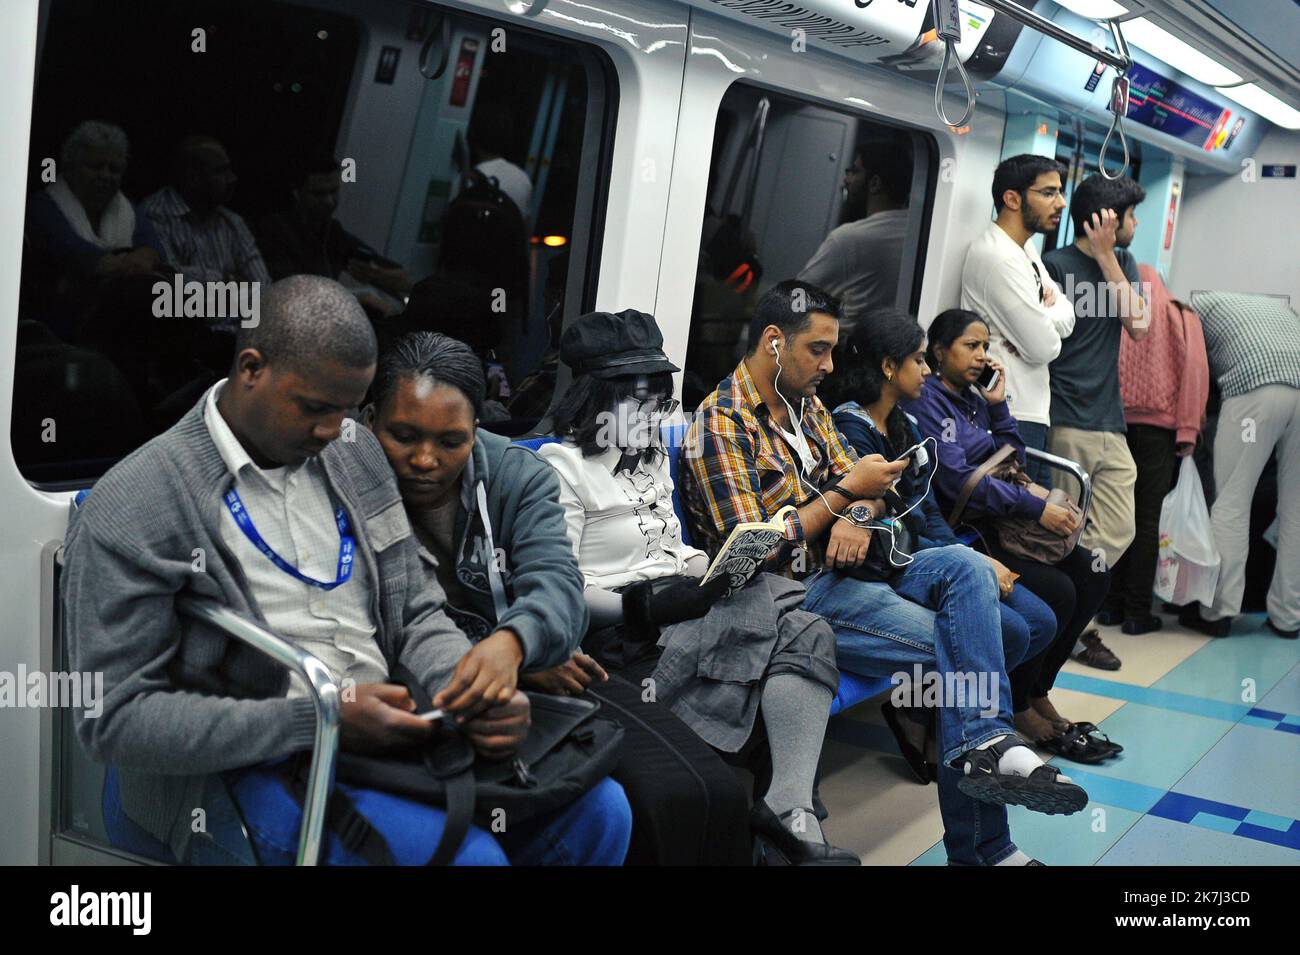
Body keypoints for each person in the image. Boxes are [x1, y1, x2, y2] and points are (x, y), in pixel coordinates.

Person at [62, 275, 631, 866]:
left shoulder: (353, 453)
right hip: (245, 766)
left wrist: (461, 690)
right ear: (251, 369)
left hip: (387, 731)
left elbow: (413, 611)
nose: (334, 431)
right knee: (472, 860)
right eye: (315, 408)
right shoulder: (139, 502)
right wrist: (320, 718)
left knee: (602, 816)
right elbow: (114, 719)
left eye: (345, 409)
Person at [682, 280, 1088, 867]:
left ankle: (985, 745)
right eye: (817, 350)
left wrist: (853, 508)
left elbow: (879, 491)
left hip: (865, 568)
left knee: (965, 565)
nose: (829, 365)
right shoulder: (721, 424)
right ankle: (986, 846)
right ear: (773, 342)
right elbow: (749, 553)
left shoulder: (809, 409)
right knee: (972, 648)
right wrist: (842, 499)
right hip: (795, 595)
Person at [364, 330, 751, 865]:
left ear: (476, 430)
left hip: (529, 663)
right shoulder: (348, 481)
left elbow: (557, 584)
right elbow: (393, 616)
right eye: (403, 436)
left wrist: (518, 644)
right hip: (430, 685)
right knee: (630, 799)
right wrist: (516, 655)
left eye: (450, 441)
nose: (424, 460)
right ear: (367, 422)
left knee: (695, 790)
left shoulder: (514, 474)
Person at [538, 308, 855, 865]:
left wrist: (708, 568)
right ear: (597, 397)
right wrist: (642, 605)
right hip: (628, 628)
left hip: (685, 608)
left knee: (803, 624)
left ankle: (789, 806)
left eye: (660, 398)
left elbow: (671, 546)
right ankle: (791, 823)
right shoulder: (559, 469)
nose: (655, 413)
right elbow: (561, 587)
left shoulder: (651, 455)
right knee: (792, 624)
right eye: (640, 399)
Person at [823, 311, 1087, 755]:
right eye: (919, 360)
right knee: (1014, 631)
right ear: (890, 367)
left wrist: (972, 557)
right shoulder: (853, 429)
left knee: (1039, 621)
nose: (925, 370)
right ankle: (966, 734)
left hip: (927, 547)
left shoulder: (905, 424)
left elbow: (926, 511)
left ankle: (953, 721)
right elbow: (894, 527)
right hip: (893, 562)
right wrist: (975, 561)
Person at [908, 310, 1119, 748]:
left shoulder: (971, 398)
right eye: (971, 345)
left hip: (1003, 521)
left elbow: (1012, 458)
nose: (981, 356)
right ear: (940, 350)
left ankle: (1038, 688)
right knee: (1058, 591)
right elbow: (956, 480)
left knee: (1094, 574)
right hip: (969, 528)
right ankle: (1019, 702)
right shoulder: (928, 400)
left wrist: (999, 405)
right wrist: (1035, 509)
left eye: (985, 347)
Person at [1042, 174, 1148, 581]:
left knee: (1120, 528)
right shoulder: (1054, 265)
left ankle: (1073, 606)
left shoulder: (1123, 264)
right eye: (1130, 216)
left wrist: (1106, 258)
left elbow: (1139, 326)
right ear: (1107, 219)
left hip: (1110, 419)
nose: (1135, 224)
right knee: (1064, 526)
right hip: (1065, 414)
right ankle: (1073, 630)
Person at [1179, 291, 1300, 639]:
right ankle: (1288, 617)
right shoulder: (1280, 309)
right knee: (1294, 510)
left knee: (1231, 502)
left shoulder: (1193, 310)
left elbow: (1192, 367)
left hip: (1256, 390)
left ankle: (1219, 612)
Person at [1101, 264, 1210, 632]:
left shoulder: (1116, 310)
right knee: (1148, 521)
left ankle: (1108, 606)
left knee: (1114, 518)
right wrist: (1188, 431)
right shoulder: (1180, 313)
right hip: (1159, 432)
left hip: (1114, 425)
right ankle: (1136, 613)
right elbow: (1195, 371)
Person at [960, 154, 1076, 486]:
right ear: (1012, 198)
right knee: (1015, 528)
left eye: (1060, 192)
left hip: (1030, 409)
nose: (1061, 203)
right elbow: (1045, 347)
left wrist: (1046, 313)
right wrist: (1046, 313)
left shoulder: (1024, 250)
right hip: (1010, 412)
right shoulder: (998, 257)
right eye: (1049, 193)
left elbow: (1068, 316)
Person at [24, 120, 164, 329]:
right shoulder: (43, 206)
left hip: (123, 322)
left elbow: (153, 248)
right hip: (60, 325)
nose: (106, 175)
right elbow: (75, 253)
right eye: (95, 166)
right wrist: (134, 266)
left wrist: (140, 258)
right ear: (70, 168)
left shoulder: (129, 209)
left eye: (114, 169)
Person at [142, 135, 272, 324]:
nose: (232, 178)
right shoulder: (155, 215)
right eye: (221, 171)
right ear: (192, 178)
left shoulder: (232, 222)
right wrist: (227, 281)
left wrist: (210, 289)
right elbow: (166, 288)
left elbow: (264, 290)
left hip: (235, 338)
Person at [254, 157, 413, 311]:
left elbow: (403, 278)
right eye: (318, 194)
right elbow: (288, 288)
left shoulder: (333, 232)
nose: (329, 201)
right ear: (296, 192)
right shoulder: (274, 230)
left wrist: (374, 274)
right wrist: (356, 297)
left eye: (334, 192)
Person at [798, 136, 912, 334]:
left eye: (854, 171)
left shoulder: (850, 238)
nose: (846, 179)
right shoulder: (919, 234)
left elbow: (796, 298)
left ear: (875, 183)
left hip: (851, 353)